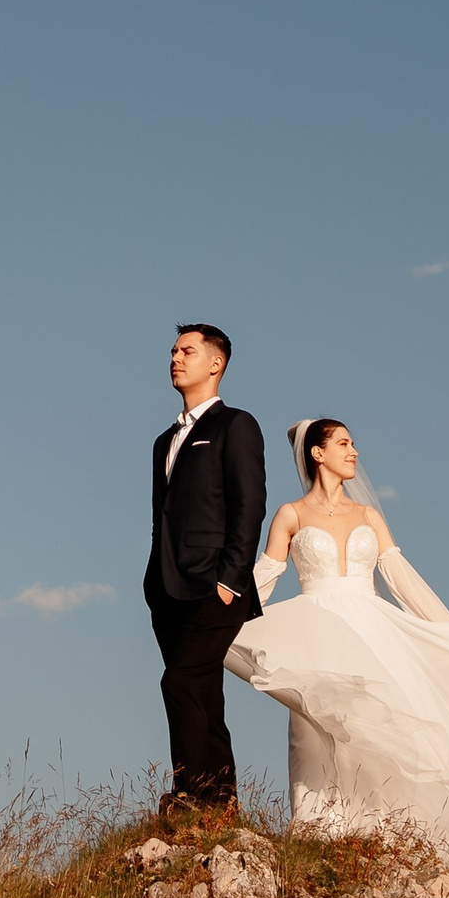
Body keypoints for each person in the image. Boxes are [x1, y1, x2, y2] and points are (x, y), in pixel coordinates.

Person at [226, 419, 449, 860]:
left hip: (372, 633)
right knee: (318, 731)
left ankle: (384, 838)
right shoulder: (291, 514)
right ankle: (319, 839)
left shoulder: (368, 516)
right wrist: (220, 618)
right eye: (344, 443)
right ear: (318, 454)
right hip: (317, 636)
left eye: (353, 444)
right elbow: (265, 575)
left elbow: (401, 579)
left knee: (385, 731)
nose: (354, 452)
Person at [145, 324, 266, 813]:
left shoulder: (236, 425)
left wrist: (230, 580)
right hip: (167, 591)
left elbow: (249, 506)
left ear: (216, 363)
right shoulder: (163, 441)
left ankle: (191, 793)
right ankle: (219, 802)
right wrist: (153, 584)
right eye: (173, 351)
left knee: (179, 682)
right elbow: (161, 519)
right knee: (202, 693)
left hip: (216, 586)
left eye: (187, 351)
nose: (176, 358)